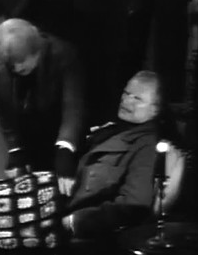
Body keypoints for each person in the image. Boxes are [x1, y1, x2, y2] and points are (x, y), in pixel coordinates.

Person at [0, 18, 85, 196]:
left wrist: (65, 148)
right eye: (11, 64)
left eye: (22, 61)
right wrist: (15, 148)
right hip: (28, 132)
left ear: (37, 51)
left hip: (58, 129)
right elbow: (0, 105)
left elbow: (73, 106)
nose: (17, 68)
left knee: (65, 191)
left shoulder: (63, 54)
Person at [62, 71, 164, 238]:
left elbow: (134, 205)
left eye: (137, 98)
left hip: (93, 237)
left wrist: (76, 222)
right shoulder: (112, 131)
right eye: (126, 93)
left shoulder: (146, 145)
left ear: (155, 110)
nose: (126, 101)